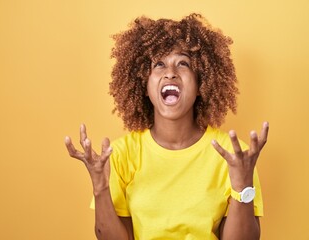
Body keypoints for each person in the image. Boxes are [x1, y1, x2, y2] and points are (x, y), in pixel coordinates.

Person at [65, 13, 269, 240]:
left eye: (183, 64)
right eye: (159, 64)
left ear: (201, 83)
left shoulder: (234, 156)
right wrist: (100, 188)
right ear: (144, 83)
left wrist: (243, 188)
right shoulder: (120, 154)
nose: (170, 73)